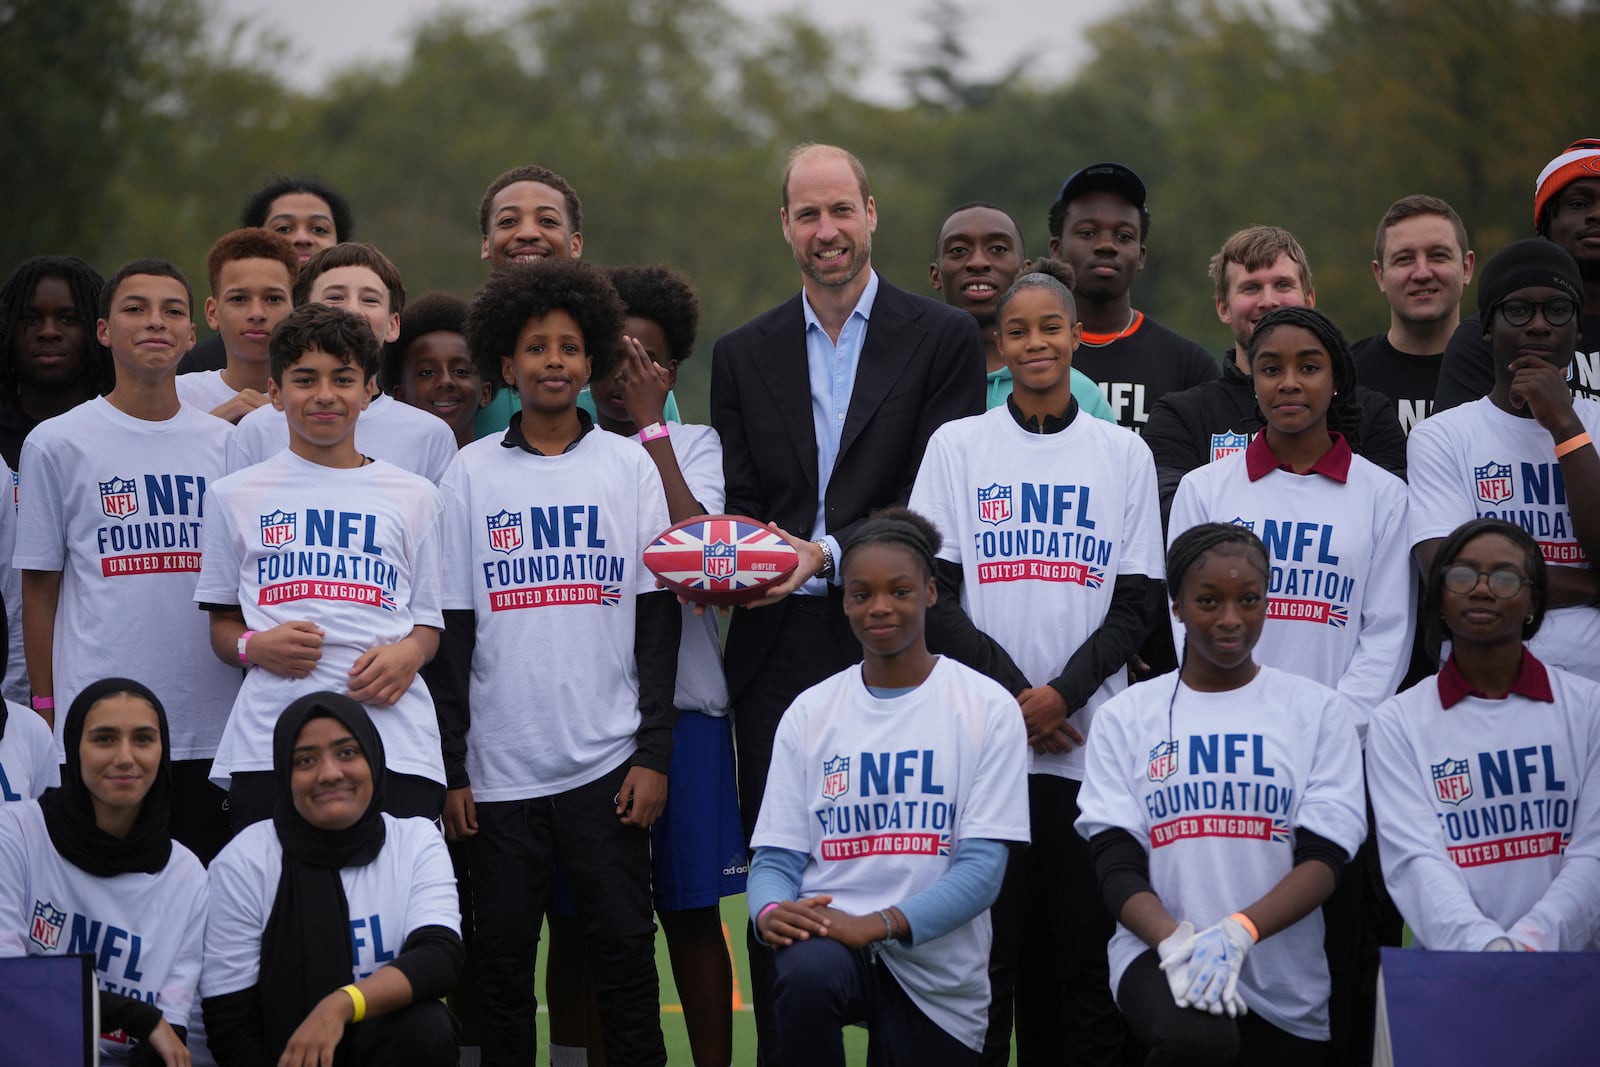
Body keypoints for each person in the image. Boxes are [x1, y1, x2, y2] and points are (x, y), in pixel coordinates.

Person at [709, 142, 985, 1064]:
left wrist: (829, 551)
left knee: (918, 837)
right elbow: (743, 502)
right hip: (776, 643)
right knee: (780, 864)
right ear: (784, 226)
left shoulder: (943, 336)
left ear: (872, 213)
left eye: (841, 210)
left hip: (899, 628)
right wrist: (749, 557)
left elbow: (932, 491)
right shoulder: (743, 353)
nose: (826, 231)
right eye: (807, 215)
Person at [909, 260, 1164, 1065]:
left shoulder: (1121, 453)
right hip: (989, 751)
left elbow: (1138, 603)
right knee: (990, 968)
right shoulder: (957, 445)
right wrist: (1022, 697)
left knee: (1080, 967)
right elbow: (935, 593)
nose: (1035, 342)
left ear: (1075, 334)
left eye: (1049, 326)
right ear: (1000, 342)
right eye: (1017, 330)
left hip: (1090, 754)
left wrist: (1065, 695)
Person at [434, 259, 678, 1067]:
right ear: (505, 364)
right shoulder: (469, 473)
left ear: (593, 360)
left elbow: (655, 622)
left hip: (607, 766)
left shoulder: (627, 465)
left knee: (623, 962)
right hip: (499, 776)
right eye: (535, 347)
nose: (552, 361)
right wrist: (454, 767)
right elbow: (456, 632)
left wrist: (651, 754)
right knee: (501, 970)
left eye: (570, 347)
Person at [748, 508, 1029, 1067]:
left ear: (930, 593)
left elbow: (982, 872)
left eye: (899, 590)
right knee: (805, 974)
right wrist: (769, 910)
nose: (879, 607)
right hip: (830, 942)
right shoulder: (811, 712)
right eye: (861, 593)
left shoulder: (986, 706)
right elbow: (776, 858)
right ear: (845, 601)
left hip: (938, 970)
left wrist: (877, 925)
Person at [1076, 523, 1366, 1065]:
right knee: (1197, 1041)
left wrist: (1240, 930)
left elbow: (1325, 858)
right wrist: (1173, 941)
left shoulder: (1317, 711)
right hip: (1159, 954)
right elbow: (1115, 863)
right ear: (1178, 606)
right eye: (1208, 600)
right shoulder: (1127, 717)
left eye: (1249, 600)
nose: (1231, 619)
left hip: (1284, 979)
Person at [15, 259, 240, 863]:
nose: (155, 323)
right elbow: (39, 591)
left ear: (192, 335)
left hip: (211, 721)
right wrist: (44, 709)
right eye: (135, 308)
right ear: (105, 331)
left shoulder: (230, 446)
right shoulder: (57, 443)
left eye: (172, 310)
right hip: (100, 721)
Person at [194, 303, 446, 829]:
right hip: (271, 740)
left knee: (393, 897)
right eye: (305, 379)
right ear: (275, 393)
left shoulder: (416, 495)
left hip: (395, 740)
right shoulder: (234, 494)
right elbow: (221, 628)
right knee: (279, 902)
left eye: (344, 378)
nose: (325, 394)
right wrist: (254, 647)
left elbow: (428, 625)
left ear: (369, 388)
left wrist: (408, 655)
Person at [1168, 306, 1413, 736]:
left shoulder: (1385, 496)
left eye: (1309, 367)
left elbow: (1388, 631)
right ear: (1254, 382)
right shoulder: (1202, 489)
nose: (1289, 383)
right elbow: (1186, 621)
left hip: (1338, 742)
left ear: (1336, 380)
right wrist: (1231, 711)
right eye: (1270, 368)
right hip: (1227, 729)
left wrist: (1335, 727)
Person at [1368, 517, 1600, 955]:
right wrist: (1487, 949)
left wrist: (1531, 945)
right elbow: (1416, 861)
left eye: (1506, 577)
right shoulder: (1397, 721)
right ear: (1437, 597)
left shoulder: (1590, 709)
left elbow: (1593, 856)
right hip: (1452, 975)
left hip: (1571, 975)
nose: (1482, 588)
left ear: (1535, 601)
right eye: (1461, 575)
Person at [201, 692, 461, 1067]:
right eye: (305, 760)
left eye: (347, 753)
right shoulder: (243, 862)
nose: (329, 773)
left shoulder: (415, 841)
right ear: (284, 775)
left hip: (380, 1047)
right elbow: (231, 1021)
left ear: (373, 759)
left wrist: (340, 1005)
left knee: (427, 1028)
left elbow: (439, 957)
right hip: (284, 1057)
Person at [1408, 238, 1600, 682]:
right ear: (1487, 327)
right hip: (1485, 683)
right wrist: (1593, 587)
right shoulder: (1442, 435)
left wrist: (1565, 428)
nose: (1538, 326)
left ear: (1578, 328)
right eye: (1517, 311)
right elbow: (1451, 574)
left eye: (1557, 311)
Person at [0, 679, 208, 1066]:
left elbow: (172, 1028)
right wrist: (138, 1017)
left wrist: (148, 1025)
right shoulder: (16, 835)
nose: (126, 757)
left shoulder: (186, 874)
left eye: (144, 739)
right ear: (74, 748)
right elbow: (9, 984)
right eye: (105, 739)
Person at [1144, 226, 1405, 523]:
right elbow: (1170, 513)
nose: (1268, 301)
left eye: (1282, 285)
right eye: (1251, 288)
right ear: (1223, 307)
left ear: (1309, 299)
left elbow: (1392, 512)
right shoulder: (1182, 415)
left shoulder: (1368, 412)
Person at [470, 164, 682, 440]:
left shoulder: (625, 357)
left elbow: (664, 452)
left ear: (575, 244)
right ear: (487, 243)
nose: (528, 233)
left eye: (547, 221)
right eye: (508, 221)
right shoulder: (457, 360)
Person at [226, 243, 456, 483]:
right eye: (335, 297)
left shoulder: (430, 435)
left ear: (393, 324)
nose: (352, 310)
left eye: (369, 299)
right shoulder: (258, 428)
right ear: (301, 313)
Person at [1044, 162, 1218, 432]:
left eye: (1123, 236)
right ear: (1056, 249)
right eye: (1087, 233)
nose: (1106, 245)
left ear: (1141, 256)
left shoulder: (1190, 367)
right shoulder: (1025, 355)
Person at [1436, 139, 1600, 410]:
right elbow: (1461, 442)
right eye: (1579, 203)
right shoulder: (1488, 335)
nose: (1596, 214)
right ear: (1545, 222)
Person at [928, 201, 1114, 422]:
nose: (978, 262)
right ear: (935, 275)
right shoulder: (918, 378)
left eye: (998, 249)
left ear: (1024, 270)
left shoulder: (1082, 394)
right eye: (958, 250)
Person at [179, 175, 353, 375]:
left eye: (319, 229)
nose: (302, 238)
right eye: (284, 228)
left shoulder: (364, 348)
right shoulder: (197, 366)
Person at [1351, 196, 1475, 434]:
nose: (1421, 273)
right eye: (1404, 259)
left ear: (1466, 267)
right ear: (1380, 276)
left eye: (1438, 255)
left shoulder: (1501, 372)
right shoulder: (1346, 377)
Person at [0, 254, 111, 469]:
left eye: (68, 318)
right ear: (8, 329)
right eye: (31, 319)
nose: (48, 332)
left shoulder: (125, 431)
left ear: (99, 329)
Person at [176, 228, 298, 424]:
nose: (257, 313)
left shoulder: (320, 401)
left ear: (295, 310)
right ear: (212, 312)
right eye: (239, 298)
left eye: (273, 298)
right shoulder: (176, 397)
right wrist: (210, 427)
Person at [384, 292, 490, 449]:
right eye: (427, 372)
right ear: (401, 396)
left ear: (485, 393)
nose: (445, 381)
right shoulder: (383, 471)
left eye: (461, 371)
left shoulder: (506, 471)